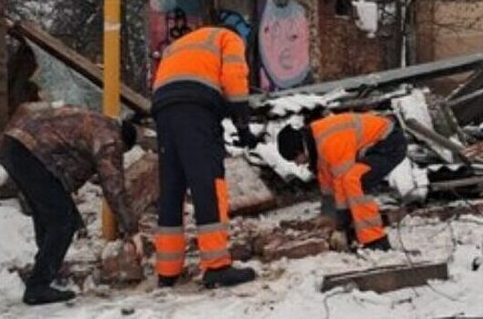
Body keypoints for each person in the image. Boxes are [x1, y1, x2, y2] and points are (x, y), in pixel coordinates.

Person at [0, 102, 141, 305]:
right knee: (63, 222)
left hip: (14, 144)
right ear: (124, 144)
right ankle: (38, 286)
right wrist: (132, 230)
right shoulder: (110, 140)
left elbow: (63, 163)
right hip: (31, 153)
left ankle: (45, 271)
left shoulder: (97, 122)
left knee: (48, 215)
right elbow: (114, 188)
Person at [151, 25, 259, 289]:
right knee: (208, 184)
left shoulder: (180, 46)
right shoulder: (229, 38)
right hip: (196, 109)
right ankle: (216, 266)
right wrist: (243, 124)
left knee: (172, 186)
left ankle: (167, 269)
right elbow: (234, 76)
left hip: (163, 109)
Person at [276, 111, 407, 251]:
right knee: (347, 181)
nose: (297, 164)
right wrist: (327, 218)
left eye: (295, 159)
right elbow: (328, 186)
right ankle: (357, 229)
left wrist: (341, 228)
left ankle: (376, 240)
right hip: (373, 146)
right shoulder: (316, 141)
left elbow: (341, 188)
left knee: (353, 181)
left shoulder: (329, 144)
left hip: (388, 144)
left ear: (299, 150)